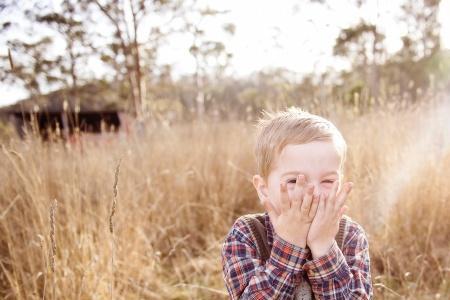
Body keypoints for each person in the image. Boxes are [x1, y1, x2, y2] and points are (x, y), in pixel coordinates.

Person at [221, 107, 372, 299]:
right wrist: (289, 244)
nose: (314, 193)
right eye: (294, 181)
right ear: (263, 189)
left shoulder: (350, 235)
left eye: (327, 181)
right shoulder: (246, 234)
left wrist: (324, 247)